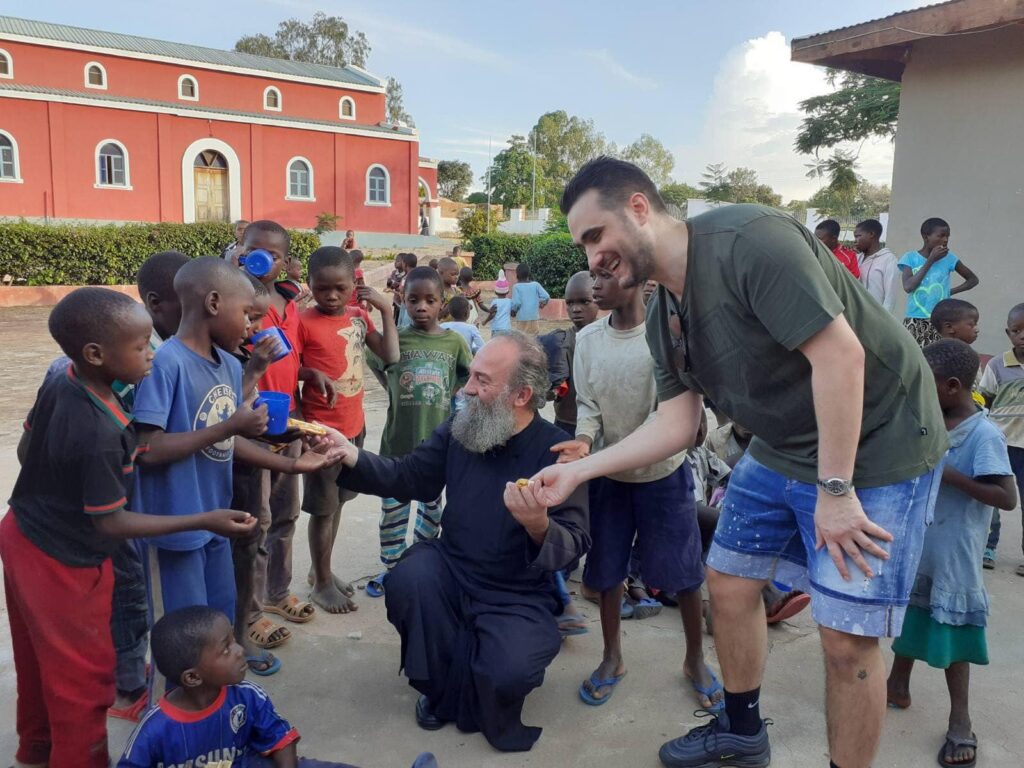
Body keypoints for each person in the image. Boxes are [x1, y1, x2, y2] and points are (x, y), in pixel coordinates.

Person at [537, 157, 947, 768]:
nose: (592, 256)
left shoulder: (749, 242)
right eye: (582, 244)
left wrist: (835, 490)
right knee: (727, 583)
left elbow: (841, 359)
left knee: (846, 640)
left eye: (596, 235)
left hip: (878, 442)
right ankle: (742, 730)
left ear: (640, 208)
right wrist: (581, 469)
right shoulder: (662, 316)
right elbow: (677, 424)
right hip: (784, 446)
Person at [1, 287, 257, 768]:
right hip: (61, 557)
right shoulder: (96, 432)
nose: (152, 354)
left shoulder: (65, 377)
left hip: (20, 530)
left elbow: (24, 451)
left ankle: (37, 750)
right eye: (141, 347)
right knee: (86, 679)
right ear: (97, 353)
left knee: (40, 661)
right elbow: (113, 521)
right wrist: (204, 518)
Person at [327, 332, 590, 751]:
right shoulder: (461, 428)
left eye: (482, 381)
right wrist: (349, 455)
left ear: (521, 394)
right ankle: (441, 690)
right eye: (471, 376)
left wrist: (538, 524)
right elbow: (410, 475)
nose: (466, 388)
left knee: (510, 670)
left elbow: (573, 543)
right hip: (453, 567)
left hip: (516, 591)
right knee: (410, 579)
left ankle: (473, 675)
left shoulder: (557, 453)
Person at [132, 257, 337, 694]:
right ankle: (173, 728)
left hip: (216, 522)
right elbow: (147, 449)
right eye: (246, 314)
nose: (251, 326)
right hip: (176, 530)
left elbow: (224, 440)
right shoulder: (166, 362)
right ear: (212, 303)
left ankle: (218, 715)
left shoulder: (227, 365)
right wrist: (231, 425)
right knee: (180, 641)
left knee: (219, 623)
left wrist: (290, 463)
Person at [553, 264, 722, 712]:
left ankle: (695, 659)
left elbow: (666, 415)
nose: (593, 287)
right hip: (609, 477)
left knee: (685, 574)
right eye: (591, 278)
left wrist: (609, 453)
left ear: (634, 281)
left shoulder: (664, 337)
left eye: (603, 278)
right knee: (607, 571)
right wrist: (586, 440)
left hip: (663, 475)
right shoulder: (589, 339)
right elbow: (587, 404)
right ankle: (612, 657)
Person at [886, 340, 1017, 768]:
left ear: (953, 386)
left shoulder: (983, 434)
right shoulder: (931, 419)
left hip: (956, 551)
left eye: (927, 383)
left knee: (953, 629)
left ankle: (960, 719)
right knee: (910, 612)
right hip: (919, 541)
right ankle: (897, 683)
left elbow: (1005, 497)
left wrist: (947, 472)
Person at [117, 606, 438, 768]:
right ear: (192, 677)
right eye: (226, 648)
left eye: (234, 639)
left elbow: (279, 739)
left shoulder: (246, 697)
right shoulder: (154, 730)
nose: (241, 650)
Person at [299, 247, 399, 614]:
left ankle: (318, 570)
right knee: (323, 510)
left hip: (354, 428)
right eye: (322, 288)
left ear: (353, 286)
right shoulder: (302, 322)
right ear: (309, 284)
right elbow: (287, 368)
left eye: (339, 288)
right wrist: (308, 373)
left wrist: (387, 310)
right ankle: (322, 583)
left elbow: (390, 356)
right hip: (322, 433)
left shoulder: (359, 318)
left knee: (339, 503)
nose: (331, 295)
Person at [364, 266, 472, 597]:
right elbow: (377, 363)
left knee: (431, 509)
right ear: (402, 300)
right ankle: (394, 568)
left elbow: (466, 374)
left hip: (436, 446)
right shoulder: (397, 339)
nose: (421, 307)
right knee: (393, 513)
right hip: (398, 444)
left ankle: (422, 564)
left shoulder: (454, 341)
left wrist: (450, 393)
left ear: (443, 302)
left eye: (430, 300)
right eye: (413, 300)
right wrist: (392, 387)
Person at [240, 221, 322, 632]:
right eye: (253, 249)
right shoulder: (239, 301)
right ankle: (251, 610)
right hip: (250, 426)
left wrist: (309, 374)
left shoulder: (290, 302)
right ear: (239, 249)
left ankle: (276, 592)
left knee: (286, 514)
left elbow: (289, 358)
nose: (263, 259)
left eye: (273, 254)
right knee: (257, 520)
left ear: (285, 260)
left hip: (287, 421)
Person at [226, 277, 290, 676]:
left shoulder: (233, 352)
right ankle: (237, 634)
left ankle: (235, 633)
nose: (253, 328)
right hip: (228, 476)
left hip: (245, 469)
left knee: (255, 535)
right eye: (247, 318)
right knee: (242, 548)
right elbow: (223, 427)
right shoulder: (212, 359)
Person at [978, 302, 1024, 574]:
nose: (1023, 336)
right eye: (1017, 331)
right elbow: (985, 402)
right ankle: (988, 546)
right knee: (993, 498)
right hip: (1001, 444)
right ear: (1009, 334)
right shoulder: (997, 365)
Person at [899, 217, 980, 347]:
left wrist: (949, 292)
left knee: (938, 357)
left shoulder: (950, 258)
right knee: (915, 357)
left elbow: (973, 280)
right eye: (941, 236)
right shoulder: (910, 258)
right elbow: (908, 286)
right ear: (926, 237)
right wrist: (930, 260)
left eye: (947, 236)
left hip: (941, 320)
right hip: (915, 319)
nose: (945, 240)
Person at [549, 271, 599, 436]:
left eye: (584, 302)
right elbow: (555, 388)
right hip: (565, 422)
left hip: (597, 426)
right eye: (570, 303)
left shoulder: (606, 339)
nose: (576, 309)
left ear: (598, 300)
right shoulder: (561, 341)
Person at [854, 218, 898, 313]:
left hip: (875, 317)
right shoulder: (856, 259)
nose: (855, 241)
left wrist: (883, 320)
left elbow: (890, 296)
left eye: (858, 236)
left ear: (871, 234)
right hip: (855, 315)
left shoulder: (889, 259)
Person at [510, 263, 550, 335]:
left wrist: (513, 311)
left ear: (517, 275)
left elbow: (516, 303)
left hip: (522, 319)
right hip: (534, 318)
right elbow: (546, 296)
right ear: (528, 274)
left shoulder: (516, 287)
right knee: (534, 339)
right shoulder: (536, 285)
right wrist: (542, 303)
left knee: (522, 339)